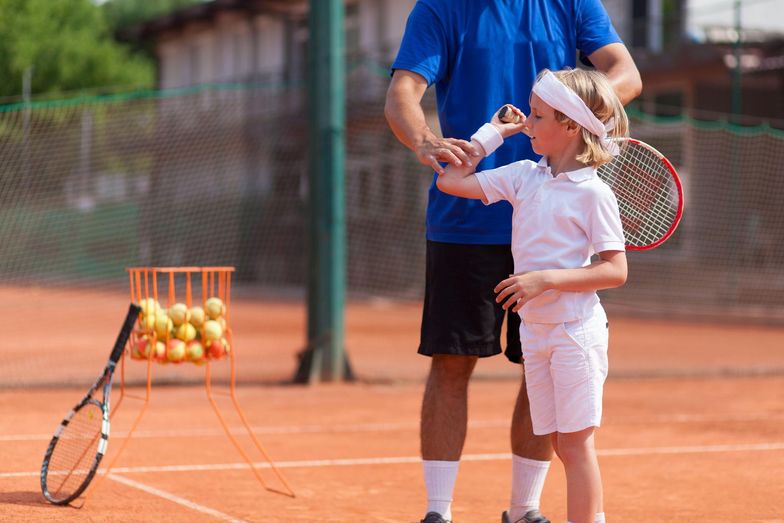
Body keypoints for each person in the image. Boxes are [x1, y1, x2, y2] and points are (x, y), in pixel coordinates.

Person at [384, 2, 641, 522]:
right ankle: (439, 512)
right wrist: (427, 141)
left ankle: (523, 510)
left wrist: (578, 111)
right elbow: (403, 94)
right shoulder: (440, 8)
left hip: (551, 233)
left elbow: (625, 73)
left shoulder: (570, 4)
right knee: (452, 361)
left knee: (538, 364)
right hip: (468, 221)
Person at [436, 67, 629, 523]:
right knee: (562, 443)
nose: (528, 124)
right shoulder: (525, 175)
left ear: (570, 125)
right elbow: (450, 180)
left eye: (538, 117)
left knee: (576, 444)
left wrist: (544, 279)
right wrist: (492, 133)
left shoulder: (594, 194)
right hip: (537, 333)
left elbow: (615, 269)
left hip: (575, 333)